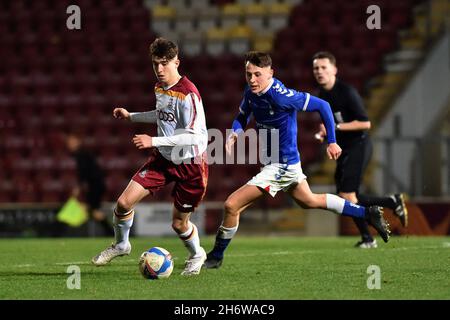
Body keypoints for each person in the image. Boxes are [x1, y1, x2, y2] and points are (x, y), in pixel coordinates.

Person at [203, 51, 390, 269]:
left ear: (270, 73)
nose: (252, 79)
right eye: (248, 74)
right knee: (309, 200)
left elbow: (323, 106)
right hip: (279, 163)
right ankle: (367, 213)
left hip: (281, 166)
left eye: (257, 74)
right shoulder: (251, 91)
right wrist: (235, 131)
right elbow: (242, 116)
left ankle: (215, 257)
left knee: (231, 205)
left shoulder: (281, 96)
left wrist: (332, 140)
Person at [91, 38, 209, 276]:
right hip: (163, 160)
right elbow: (162, 115)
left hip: (190, 165)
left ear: (177, 62)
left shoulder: (189, 95)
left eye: (165, 63)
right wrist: (131, 116)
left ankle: (197, 254)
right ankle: (122, 244)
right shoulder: (159, 87)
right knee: (123, 203)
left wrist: (152, 141)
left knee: (178, 224)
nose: (159, 69)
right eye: (156, 63)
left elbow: (196, 138)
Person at [312, 51, 408, 249]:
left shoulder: (346, 92)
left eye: (323, 67)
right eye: (316, 68)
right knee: (346, 197)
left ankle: (368, 238)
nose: (319, 71)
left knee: (347, 196)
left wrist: (335, 128)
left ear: (334, 70)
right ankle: (391, 203)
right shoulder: (322, 94)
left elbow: (365, 123)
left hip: (359, 145)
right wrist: (324, 133)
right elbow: (331, 122)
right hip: (345, 148)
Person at [65, 131, 111, 235]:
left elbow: (84, 172)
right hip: (95, 185)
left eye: (71, 141)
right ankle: (112, 233)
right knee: (92, 211)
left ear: (78, 141)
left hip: (95, 185)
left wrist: (78, 187)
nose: (69, 144)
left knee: (93, 211)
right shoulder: (82, 154)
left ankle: (112, 233)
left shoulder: (81, 154)